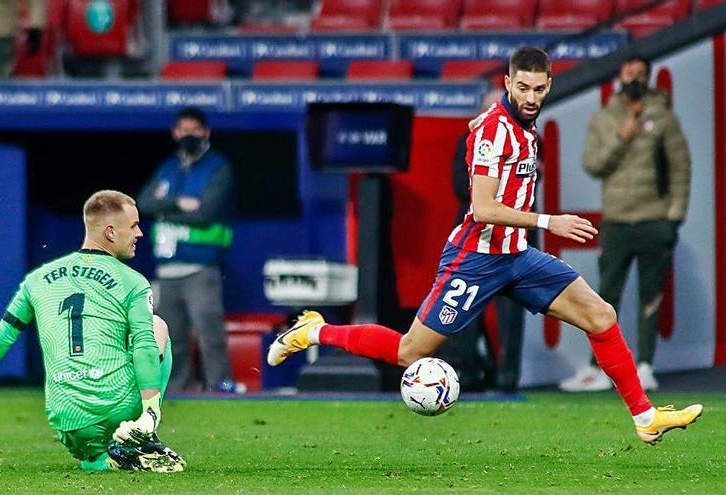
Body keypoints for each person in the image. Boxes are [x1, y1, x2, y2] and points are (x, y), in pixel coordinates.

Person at [268, 47, 702, 444]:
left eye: (539, 88)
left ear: (548, 85)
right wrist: (550, 221)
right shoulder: (496, 132)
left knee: (600, 314)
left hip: (518, 256)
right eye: (523, 87)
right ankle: (313, 330)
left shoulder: (525, 129)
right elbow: (483, 207)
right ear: (510, 83)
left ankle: (645, 417)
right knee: (409, 351)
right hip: (475, 259)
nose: (531, 96)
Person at [0, 190, 185, 473]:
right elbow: (143, 345)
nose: (140, 233)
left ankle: (97, 460)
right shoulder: (133, 282)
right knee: (156, 326)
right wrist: (151, 410)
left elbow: (3, 333)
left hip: (65, 420)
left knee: (88, 445)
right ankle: (142, 434)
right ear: (110, 232)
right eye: (133, 226)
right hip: (115, 410)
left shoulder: (37, 279)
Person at [560, 55, 691, 393]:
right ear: (619, 76)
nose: (633, 77)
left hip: (654, 219)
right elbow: (592, 164)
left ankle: (645, 365)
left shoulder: (663, 116)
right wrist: (622, 137)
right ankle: (599, 369)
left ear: (648, 77)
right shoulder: (604, 118)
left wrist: (673, 218)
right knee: (604, 297)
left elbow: (680, 168)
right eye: (628, 71)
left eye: (640, 72)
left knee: (651, 296)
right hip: (617, 220)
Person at [137, 107, 238, 393]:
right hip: (168, 268)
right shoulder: (169, 167)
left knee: (210, 333)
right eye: (183, 130)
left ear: (205, 132)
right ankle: (180, 389)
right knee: (173, 337)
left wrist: (164, 209)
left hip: (201, 266)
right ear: (175, 133)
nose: (188, 135)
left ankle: (220, 386)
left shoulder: (217, 167)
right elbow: (144, 203)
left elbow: (206, 212)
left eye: (194, 130)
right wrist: (180, 203)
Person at [450, 86, 527, 393]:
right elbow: (460, 187)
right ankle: (468, 373)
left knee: (511, 314)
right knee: (466, 306)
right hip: (474, 238)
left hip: (513, 239)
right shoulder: (466, 142)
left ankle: (509, 378)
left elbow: (529, 187)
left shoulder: (525, 141)